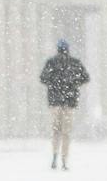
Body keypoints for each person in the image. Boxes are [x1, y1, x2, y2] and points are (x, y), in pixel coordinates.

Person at [38, 40, 90, 170]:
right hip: (69, 102)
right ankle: (64, 159)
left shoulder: (51, 63)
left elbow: (43, 78)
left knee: (56, 130)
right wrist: (73, 84)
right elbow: (86, 78)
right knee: (66, 132)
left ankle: (55, 155)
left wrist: (54, 84)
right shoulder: (74, 63)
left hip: (55, 102)